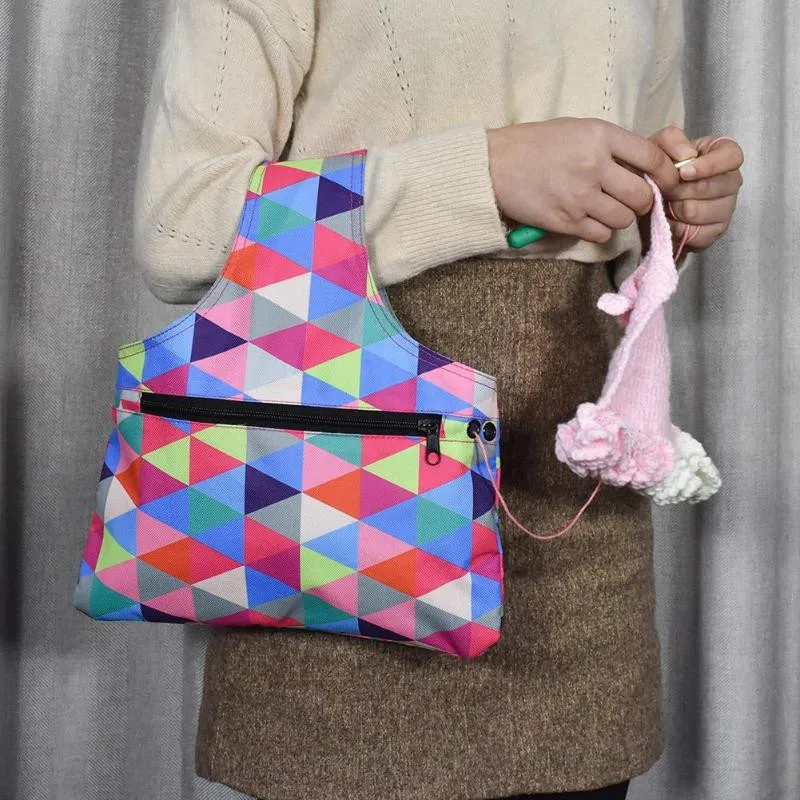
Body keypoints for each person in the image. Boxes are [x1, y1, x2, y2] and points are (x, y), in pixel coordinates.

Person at [132, 2, 743, 799]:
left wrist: (677, 210)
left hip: (570, 512)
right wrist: (481, 174)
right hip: (342, 498)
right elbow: (180, 229)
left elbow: (622, 237)